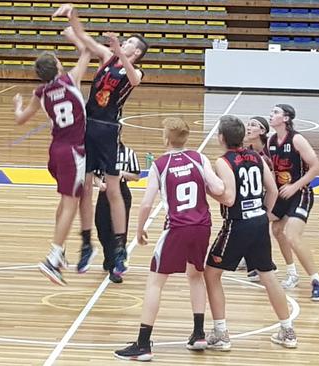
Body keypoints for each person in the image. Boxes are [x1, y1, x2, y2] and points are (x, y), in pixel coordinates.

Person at [113, 117, 225, 361]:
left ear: (165, 138)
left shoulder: (160, 165)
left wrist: (139, 229)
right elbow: (218, 188)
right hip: (202, 226)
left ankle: (143, 344)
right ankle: (198, 334)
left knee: (155, 282)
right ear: (186, 138)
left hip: (177, 227)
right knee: (195, 277)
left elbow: (145, 204)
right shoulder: (199, 158)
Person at [53, 4, 149, 279]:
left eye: (130, 43)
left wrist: (120, 51)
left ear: (136, 52)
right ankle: (86, 241)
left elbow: (134, 79)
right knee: (83, 187)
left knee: (114, 188)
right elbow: (84, 39)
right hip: (88, 125)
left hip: (107, 130)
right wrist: (73, 15)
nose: (125, 42)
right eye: (125, 41)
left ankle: (119, 248)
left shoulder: (134, 71)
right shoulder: (107, 56)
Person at [204, 115, 297, 351]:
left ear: (222, 138)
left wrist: (208, 190)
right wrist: (264, 214)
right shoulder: (256, 156)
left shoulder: (223, 162)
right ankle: (287, 330)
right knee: (268, 275)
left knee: (211, 274)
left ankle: (221, 332)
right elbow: (272, 189)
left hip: (236, 223)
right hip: (258, 222)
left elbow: (229, 197)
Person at [13, 27, 90, 285]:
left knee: (64, 201)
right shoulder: (70, 79)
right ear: (57, 66)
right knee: (72, 204)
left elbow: (21, 120)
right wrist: (72, 34)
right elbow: (87, 50)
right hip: (73, 151)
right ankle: (53, 258)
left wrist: (17, 105)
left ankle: (61, 250)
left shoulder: (40, 93)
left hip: (55, 150)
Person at [265, 104, 319, 301]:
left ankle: (318, 281)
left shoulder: (297, 139)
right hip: (282, 194)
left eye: (275, 112)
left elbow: (316, 167)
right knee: (269, 226)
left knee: (291, 235)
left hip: (300, 192)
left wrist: (294, 186)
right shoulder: (271, 141)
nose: (271, 114)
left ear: (286, 118)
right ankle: (291, 273)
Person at [93, 135, 140, 284]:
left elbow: (136, 176)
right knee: (101, 226)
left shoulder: (129, 153)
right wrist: (99, 183)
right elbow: (95, 175)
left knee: (119, 231)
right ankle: (109, 256)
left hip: (122, 192)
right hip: (104, 193)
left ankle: (115, 267)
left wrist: (122, 174)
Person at [239, 116, 275, 282]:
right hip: (254, 195)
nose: (248, 127)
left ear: (262, 131)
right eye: (248, 124)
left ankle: (262, 264)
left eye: (253, 125)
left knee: (260, 227)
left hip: (272, 194)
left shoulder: (268, 153)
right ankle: (249, 259)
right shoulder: (246, 150)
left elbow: (272, 185)